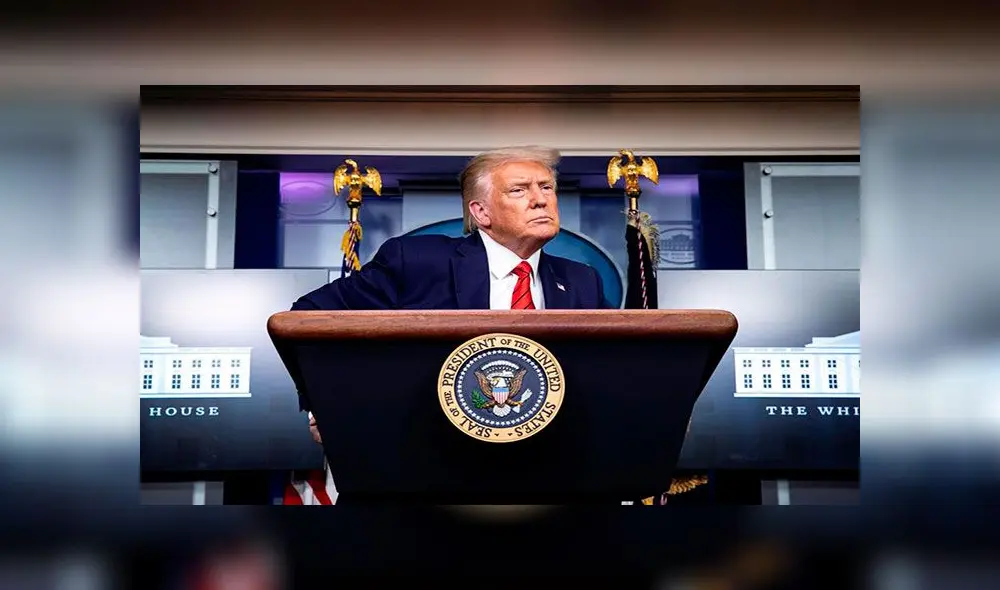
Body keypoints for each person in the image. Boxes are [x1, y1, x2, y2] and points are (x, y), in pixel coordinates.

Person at [291, 146, 614, 445]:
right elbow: (305, 318)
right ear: (481, 212)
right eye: (519, 190)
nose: (541, 199)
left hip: (551, 459)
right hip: (428, 457)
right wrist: (326, 402)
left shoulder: (581, 280)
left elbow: (612, 366)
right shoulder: (416, 261)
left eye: (546, 187)